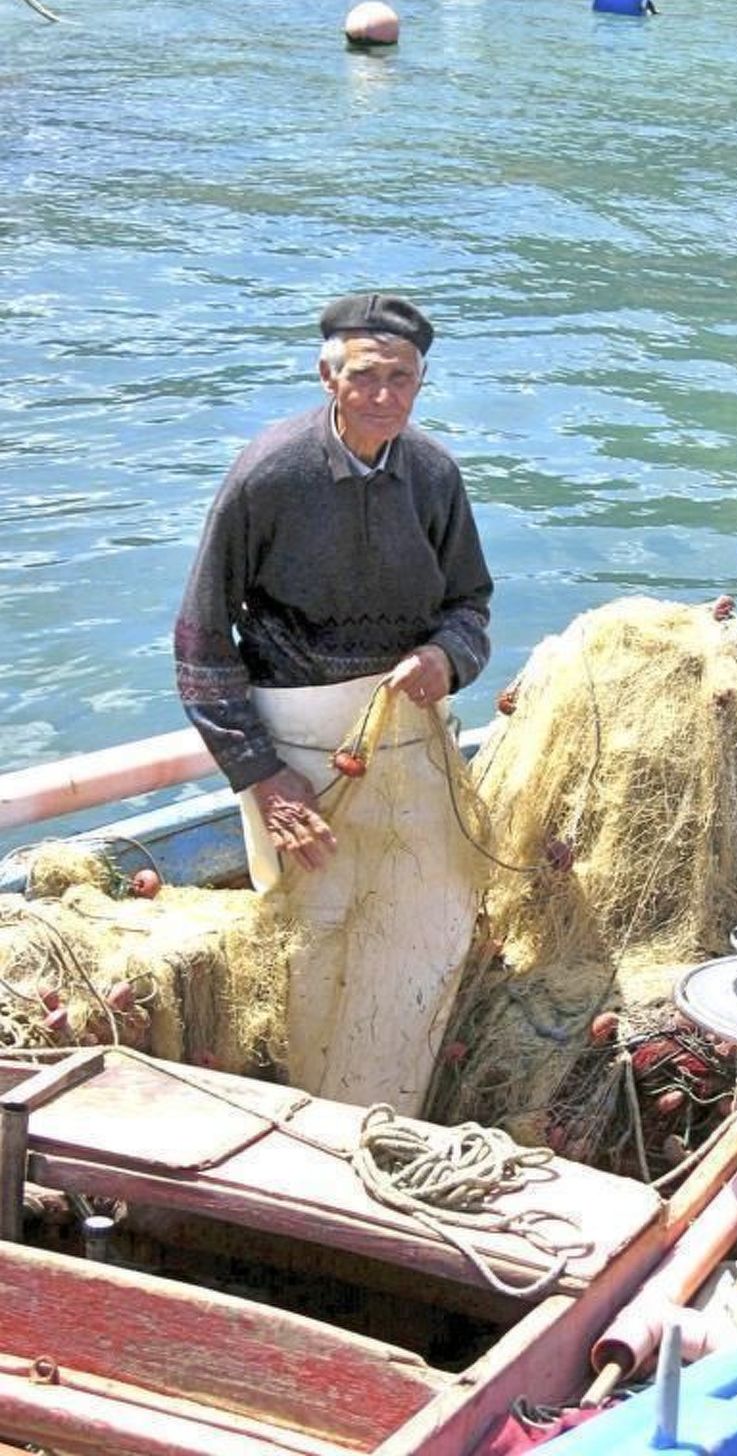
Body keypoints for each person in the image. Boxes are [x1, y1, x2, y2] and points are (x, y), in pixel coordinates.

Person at [173, 293, 493, 1110]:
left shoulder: (432, 474)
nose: (385, 395)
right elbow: (201, 640)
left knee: (436, 913)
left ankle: (402, 1106)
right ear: (328, 376)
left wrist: (443, 658)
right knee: (313, 937)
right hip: (298, 742)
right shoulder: (269, 474)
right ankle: (315, 1114)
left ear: (422, 382)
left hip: (410, 729)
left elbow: (472, 608)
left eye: (403, 378)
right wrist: (262, 777)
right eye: (366, 377)